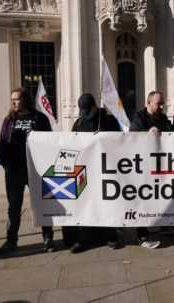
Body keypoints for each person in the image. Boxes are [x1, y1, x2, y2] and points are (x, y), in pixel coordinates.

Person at [0, 88, 55, 254]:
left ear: (25, 100)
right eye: (12, 100)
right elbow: (2, 143)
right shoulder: (9, 120)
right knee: (14, 207)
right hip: (14, 172)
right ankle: (11, 240)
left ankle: (48, 237)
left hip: (36, 171)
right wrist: (6, 164)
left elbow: (48, 142)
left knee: (42, 204)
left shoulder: (40, 118)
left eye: (17, 99)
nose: (13, 102)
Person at [63, 93, 122, 253]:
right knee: (86, 204)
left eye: (88, 111)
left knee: (107, 203)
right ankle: (85, 238)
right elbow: (73, 143)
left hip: (105, 169)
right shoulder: (79, 122)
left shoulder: (108, 120)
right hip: (86, 171)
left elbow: (120, 141)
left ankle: (111, 236)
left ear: (95, 107)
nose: (86, 114)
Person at [130, 90, 174, 249]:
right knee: (144, 197)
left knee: (162, 194)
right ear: (148, 103)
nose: (161, 106)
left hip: (161, 164)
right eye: (158, 103)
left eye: (162, 103)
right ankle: (142, 235)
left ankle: (163, 225)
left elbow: (172, 136)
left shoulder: (163, 118)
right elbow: (133, 135)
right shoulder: (139, 117)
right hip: (144, 166)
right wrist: (147, 133)